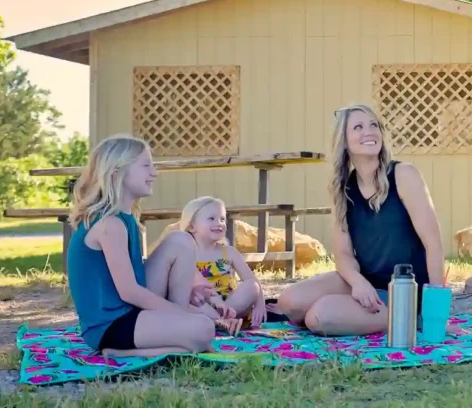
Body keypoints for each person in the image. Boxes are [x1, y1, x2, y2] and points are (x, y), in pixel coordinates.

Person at [277, 104, 446, 336]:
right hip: (366, 284)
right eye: (358, 127)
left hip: (405, 291)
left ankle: (410, 318)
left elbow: (433, 245)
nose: (369, 132)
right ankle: (358, 314)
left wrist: (435, 315)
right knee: (289, 301)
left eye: (373, 125)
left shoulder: (404, 175)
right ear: (344, 141)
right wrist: (357, 283)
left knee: (319, 316)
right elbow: (343, 254)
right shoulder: (342, 189)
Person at [67, 134, 217, 357]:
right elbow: (129, 291)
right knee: (204, 329)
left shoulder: (125, 219)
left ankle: (177, 327)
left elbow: (131, 272)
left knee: (181, 240)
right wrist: (180, 315)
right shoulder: (110, 224)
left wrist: (187, 291)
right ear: (117, 172)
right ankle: (122, 350)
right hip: (110, 325)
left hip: (129, 311)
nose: (154, 173)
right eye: (146, 166)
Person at [180, 196, 267, 332]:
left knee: (252, 286)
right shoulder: (185, 253)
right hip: (202, 305)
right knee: (187, 299)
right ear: (191, 226)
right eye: (211, 219)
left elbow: (251, 279)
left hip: (233, 306)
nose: (219, 223)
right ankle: (219, 321)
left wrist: (260, 304)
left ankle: (223, 320)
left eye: (222, 219)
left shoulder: (229, 252)